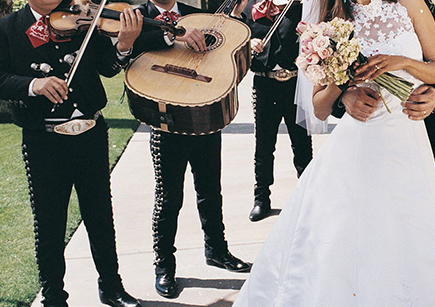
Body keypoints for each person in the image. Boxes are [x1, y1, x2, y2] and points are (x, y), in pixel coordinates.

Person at [233, 0, 435, 305]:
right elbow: (319, 105)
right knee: (344, 247)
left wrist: (403, 63)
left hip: (408, 144)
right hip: (357, 148)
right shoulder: (327, 14)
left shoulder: (410, 2)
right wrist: (346, 91)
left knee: (408, 241)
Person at [0, 0, 143, 306]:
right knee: (50, 222)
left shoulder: (83, 19)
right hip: (45, 140)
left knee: (100, 215)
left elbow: (108, 67)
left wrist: (124, 44)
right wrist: (33, 84)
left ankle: (111, 287)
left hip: (90, 134)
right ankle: (53, 296)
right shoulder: (8, 28)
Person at [130, 0, 251, 299]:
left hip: (203, 113)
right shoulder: (139, 17)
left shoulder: (198, 16)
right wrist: (171, 35)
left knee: (210, 189)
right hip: (164, 122)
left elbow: (223, 62)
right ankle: (164, 266)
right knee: (168, 197)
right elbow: (129, 52)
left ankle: (217, 251)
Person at [237, 0, 313, 222]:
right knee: (264, 145)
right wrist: (249, 43)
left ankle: (308, 197)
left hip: (295, 84)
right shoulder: (252, 7)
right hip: (265, 84)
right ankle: (261, 199)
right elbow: (237, 38)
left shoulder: (300, 7)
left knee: (301, 144)